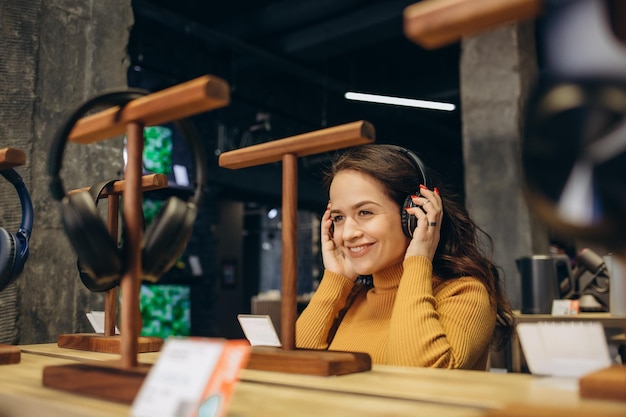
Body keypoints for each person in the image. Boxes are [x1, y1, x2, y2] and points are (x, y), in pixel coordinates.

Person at [296, 144, 514, 370]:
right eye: (339, 217)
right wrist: (335, 279)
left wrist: (418, 260)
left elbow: (419, 376)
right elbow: (294, 369)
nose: (348, 234)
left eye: (365, 212)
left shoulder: (465, 293)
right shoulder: (350, 298)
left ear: (413, 216)